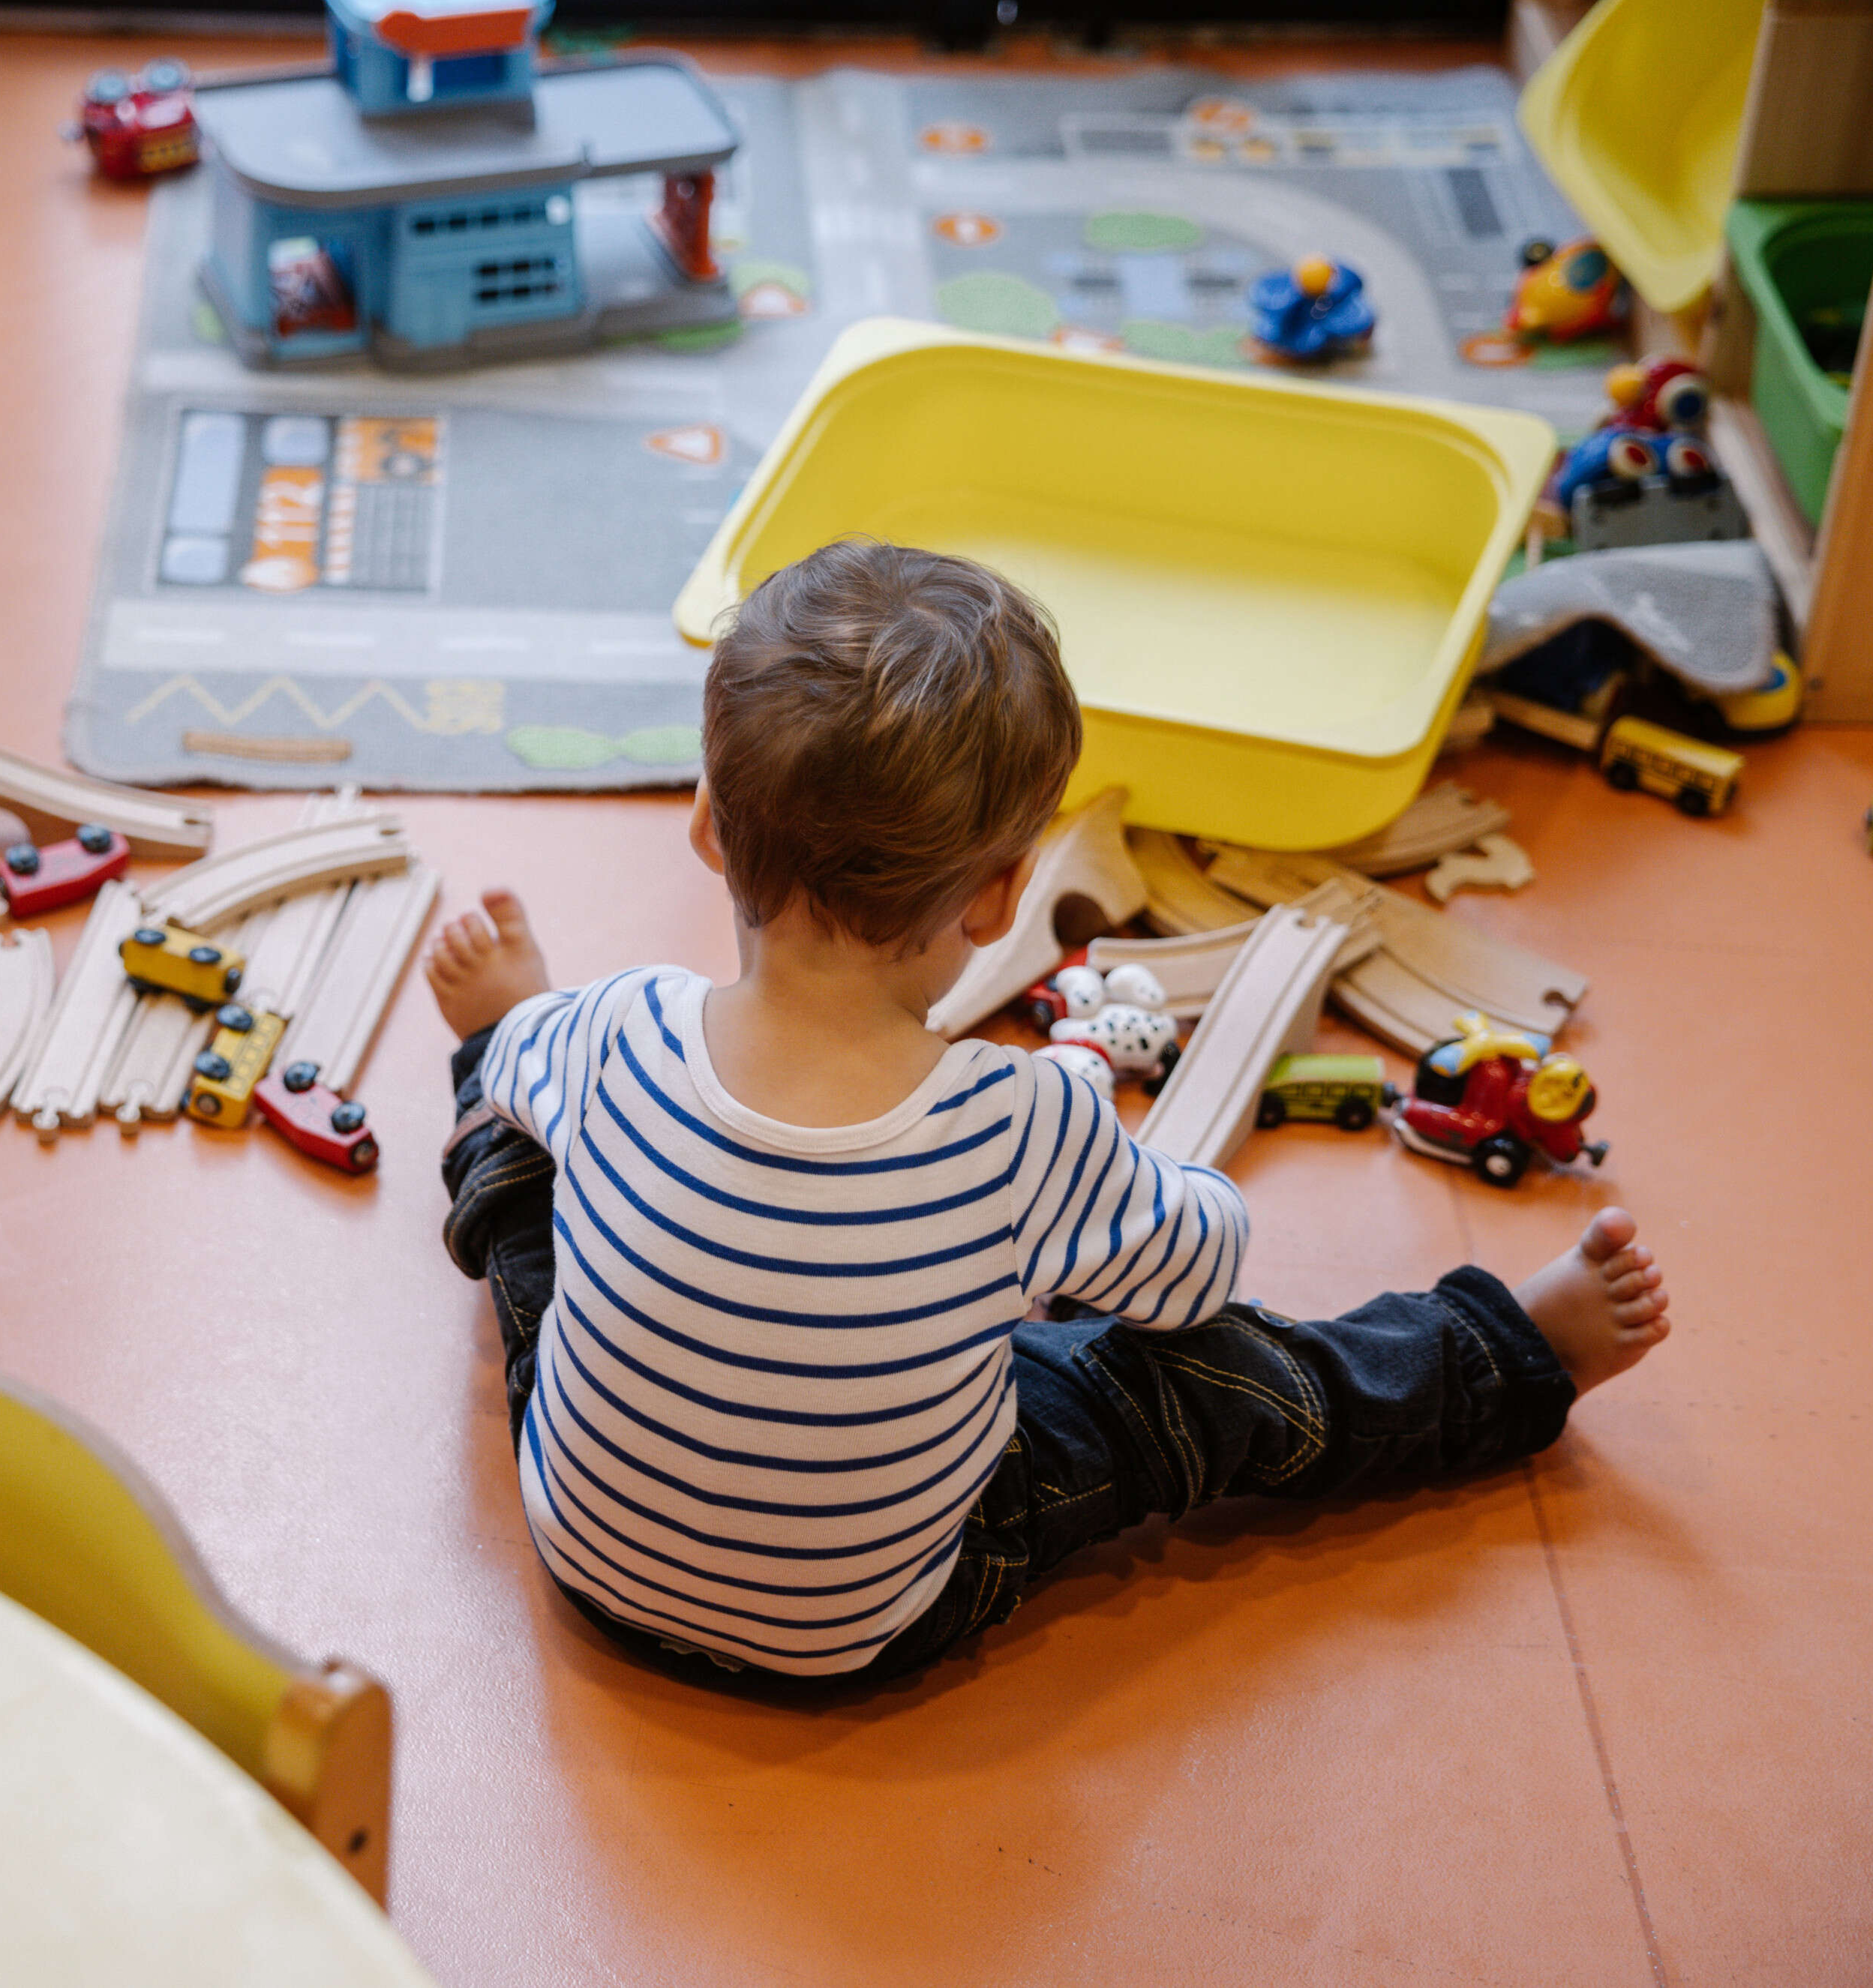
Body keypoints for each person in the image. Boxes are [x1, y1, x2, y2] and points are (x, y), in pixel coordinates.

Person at [425, 539, 1670, 1691]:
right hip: (870, 1624)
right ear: (1004, 894)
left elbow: (540, 1086)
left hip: (592, 1563)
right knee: (1207, 1382)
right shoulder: (1021, 1125)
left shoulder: (618, 1027)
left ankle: (488, 1040)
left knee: (520, 1163)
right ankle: (1506, 1357)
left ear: (705, 823)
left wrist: (500, 1036)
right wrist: (1098, 1140)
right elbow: (1197, 1278)